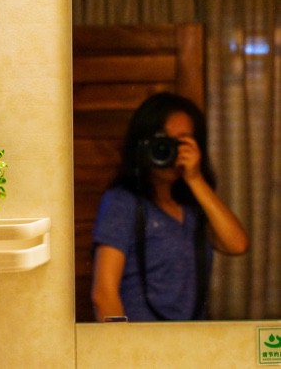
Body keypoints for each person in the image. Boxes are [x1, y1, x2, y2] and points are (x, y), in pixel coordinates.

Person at [91, 92, 249, 322]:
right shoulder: (122, 202)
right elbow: (104, 295)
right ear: (142, 145)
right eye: (161, 142)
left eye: (181, 142)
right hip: (142, 341)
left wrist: (195, 178)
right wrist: (121, 344)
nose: (168, 150)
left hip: (192, 340)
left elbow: (237, 244)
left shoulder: (194, 206)